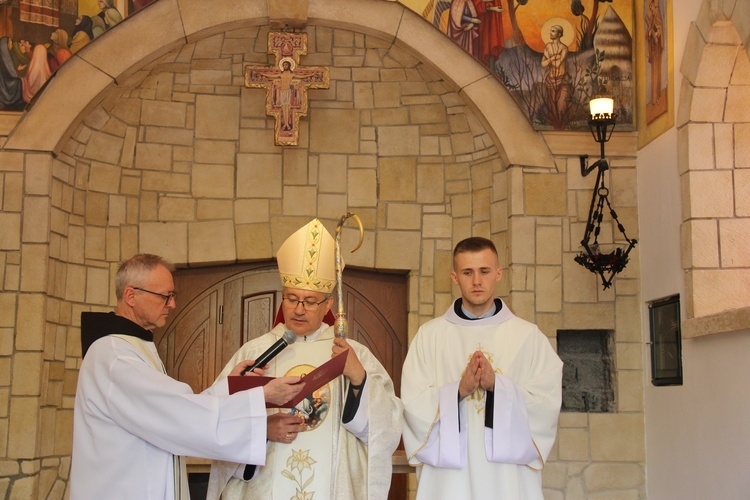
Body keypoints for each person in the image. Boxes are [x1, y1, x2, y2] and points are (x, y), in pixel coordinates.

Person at [70, 254, 303, 500]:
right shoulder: (114, 355)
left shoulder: (132, 347)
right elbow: (176, 416)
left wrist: (231, 387)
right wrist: (261, 395)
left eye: (173, 296)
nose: (172, 305)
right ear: (131, 296)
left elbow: (173, 410)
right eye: (165, 296)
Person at [208, 218, 403, 500]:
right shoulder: (254, 353)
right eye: (291, 298)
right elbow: (217, 418)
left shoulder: (354, 355)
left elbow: (387, 430)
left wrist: (359, 379)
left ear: (328, 305)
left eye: (310, 301)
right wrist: (260, 430)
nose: (299, 309)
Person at [401, 237, 563, 499]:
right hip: (449, 482)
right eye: (468, 272)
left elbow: (546, 404)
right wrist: (459, 390)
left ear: (498, 274)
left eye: (484, 271)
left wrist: (497, 386)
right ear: (455, 277)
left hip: (507, 478)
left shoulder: (528, 337)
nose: (477, 281)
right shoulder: (429, 337)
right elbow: (412, 404)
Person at [541, 24, 570, 124]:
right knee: (553, 107)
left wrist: (548, 57)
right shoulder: (548, 46)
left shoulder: (564, 48)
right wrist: (553, 57)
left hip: (562, 80)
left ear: (559, 34)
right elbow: (543, 64)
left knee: (561, 106)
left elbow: (557, 65)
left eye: (553, 31)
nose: (550, 33)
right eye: (550, 30)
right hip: (551, 80)